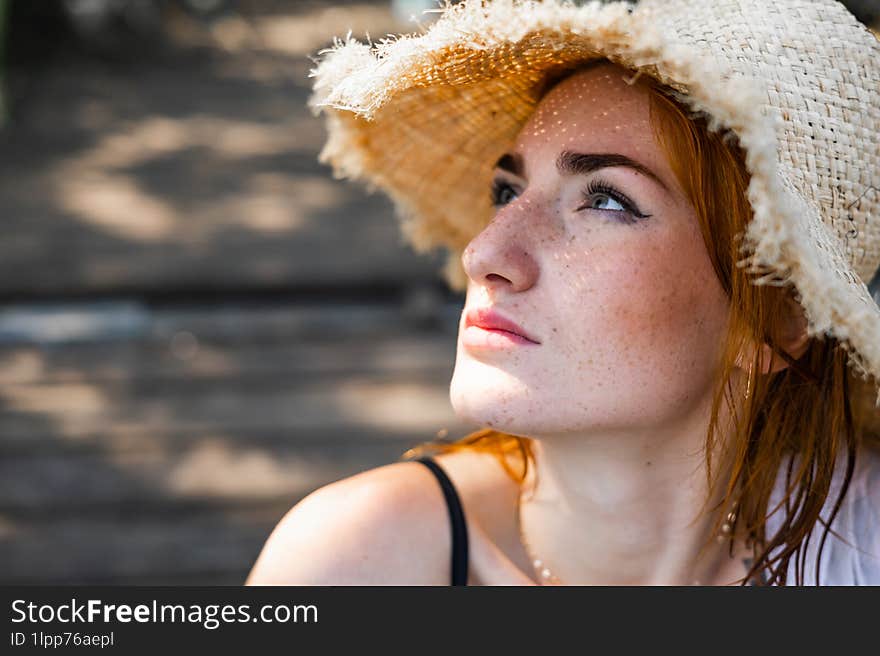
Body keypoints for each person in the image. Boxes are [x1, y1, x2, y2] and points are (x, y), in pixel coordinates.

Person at [246, 0, 880, 586]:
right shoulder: (355, 563)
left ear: (777, 319)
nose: (484, 255)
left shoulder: (859, 548)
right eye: (506, 192)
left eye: (605, 200)